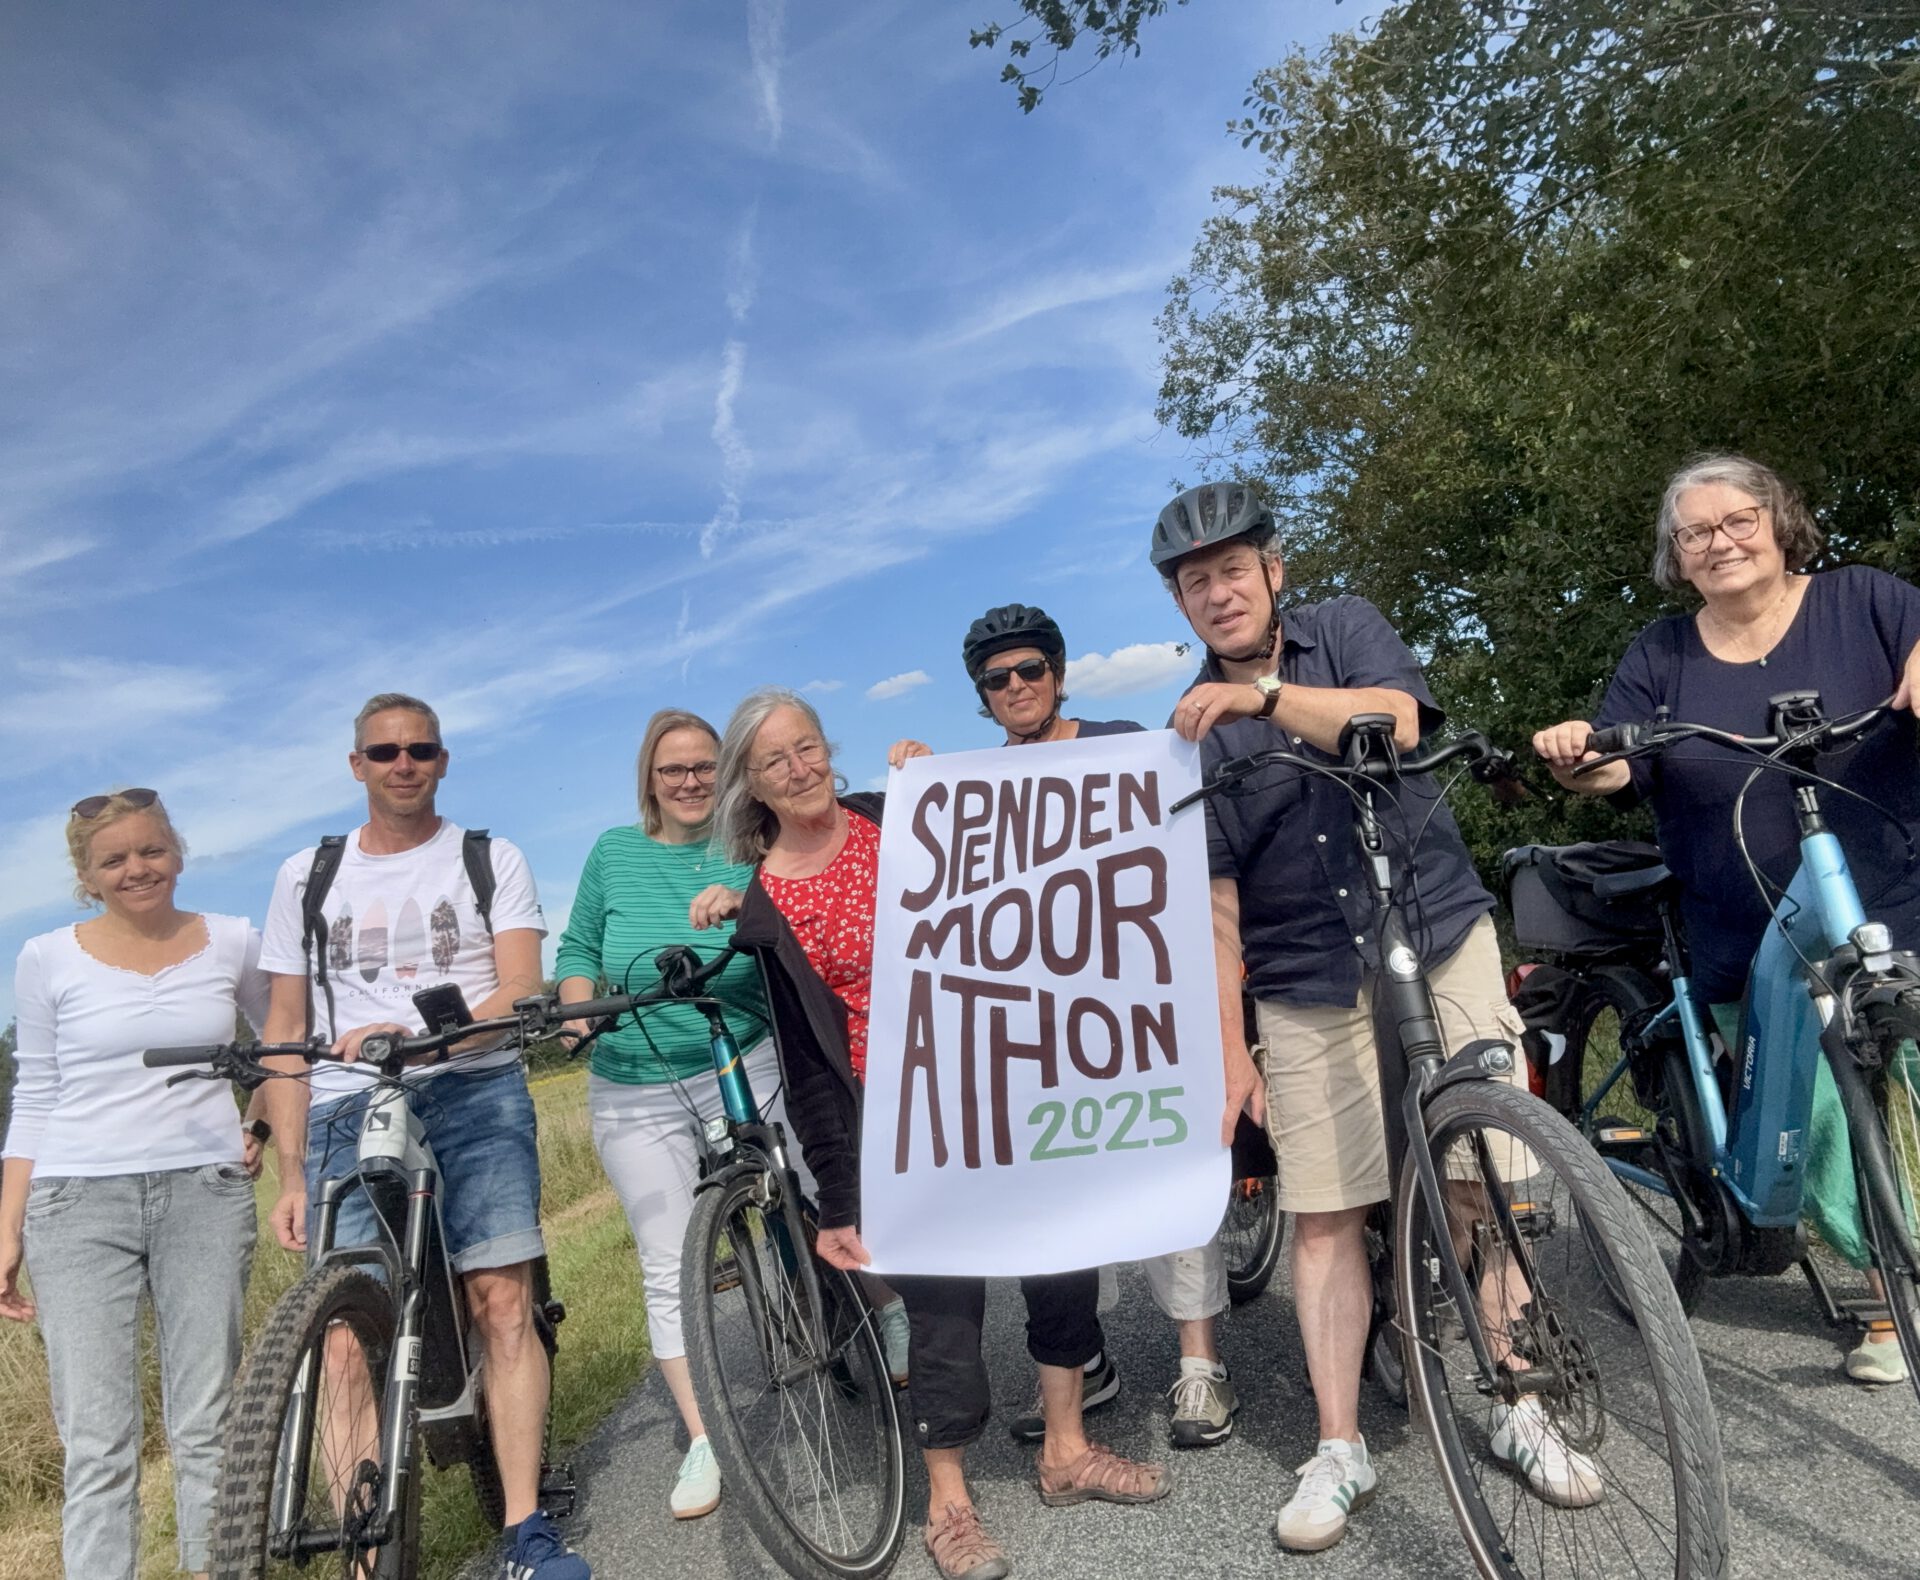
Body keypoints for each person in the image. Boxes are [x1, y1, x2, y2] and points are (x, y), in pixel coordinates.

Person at [1156, 481, 1599, 1552]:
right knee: (1321, 1211)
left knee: (1480, 1183)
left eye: (1231, 569)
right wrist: (1226, 1048)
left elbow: (1393, 721)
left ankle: (1515, 1401)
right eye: (1193, 581)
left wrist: (1260, 698)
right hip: (1302, 973)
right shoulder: (1188, 729)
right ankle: (1340, 1442)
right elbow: (1216, 906)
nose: (1216, 593)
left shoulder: (1344, 627)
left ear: (1274, 570)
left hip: (1436, 926)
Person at [695, 688, 1170, 1580]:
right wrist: (840, 1195)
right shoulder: (765, 906)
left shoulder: (902, 816)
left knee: (1063, 1257)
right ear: (749, 786)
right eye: (774, 761)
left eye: (808, 748)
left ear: (828, 750)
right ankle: (949, 1502)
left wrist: (943, 778)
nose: (800, 770)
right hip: (897, 1113)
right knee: (943, 1306)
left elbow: (1025, 856)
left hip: (1001, 1071)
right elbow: (805, 1064)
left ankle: (1066, 1450)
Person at [1534, 451, 1920, 1386]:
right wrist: (1576, 755)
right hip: (1740, 920)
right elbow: (1615, 765)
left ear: (1779, 520)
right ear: (1678, 555)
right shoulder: (1661, 654)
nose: (1720, 542)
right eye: (1696, 532)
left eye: (1737, 519)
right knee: (1819, 1113)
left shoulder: (1864, 600)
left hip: (1896, 898)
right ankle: (1885, 1290)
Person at [888, 603, 1237, 1449]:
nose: (1015, 687)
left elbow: (1182, 866)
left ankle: (1200, 1369)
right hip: (1045, 1032)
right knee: (1063, 1200)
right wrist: (914, 784)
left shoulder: (1123, 743)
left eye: (1029, 670)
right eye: (996, 679)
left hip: (1135, 1008)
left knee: (1165, 1177)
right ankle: (1088, 1361)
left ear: (1057, 672)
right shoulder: (973, 784)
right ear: (981, 693)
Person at [253, 693, 586, 1580]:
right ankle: (367, 1556)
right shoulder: (304, 875)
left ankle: (525, 1528)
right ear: (356, 765)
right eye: (386, 751)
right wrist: (290, 1173)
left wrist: (429, 1037)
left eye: (422, 750)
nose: (405, 763)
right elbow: (285, 1025)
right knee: (341, 1332)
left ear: (443, 761)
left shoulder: (488, 857)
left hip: (469, 1085)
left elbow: (521, 984)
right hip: (343, 1103)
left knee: (502, 1301)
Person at [553, 707, 889, 1522]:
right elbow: (578, 951)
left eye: (706, 766)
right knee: (667, 1256)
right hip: (638, 1076)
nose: (691, 781)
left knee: (827, 1183)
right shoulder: (612, 852)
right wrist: (576, 1008)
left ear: (730, 773)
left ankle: (887, 1313)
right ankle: (707, 1435)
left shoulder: (752, 851)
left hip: (745, 1046)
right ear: (650, 780)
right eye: (674, 770)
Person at [0, 789, 268, 1580]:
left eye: (150, 851)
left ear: (177, 853)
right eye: (112, 860)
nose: (136, 869)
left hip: (204, 1196)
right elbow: (35, 1094)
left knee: (207, 1423)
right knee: (97, 1442)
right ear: (87, 876)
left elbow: (284, 1048)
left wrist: (254, 1128)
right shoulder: (47, 957)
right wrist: (6, 1227)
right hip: (77, 1203)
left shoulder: (233, 941)